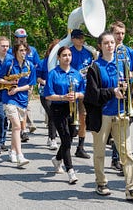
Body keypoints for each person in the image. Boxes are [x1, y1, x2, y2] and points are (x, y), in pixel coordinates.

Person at [84, 31, 133, 200]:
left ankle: (132, 188)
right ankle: (101, 182)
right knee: (99, 152)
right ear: (100, 46)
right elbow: (92, 95)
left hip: (121, 113)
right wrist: (112, 92)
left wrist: (126, 90)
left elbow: (130, 85)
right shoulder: (94, 67)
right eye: (106, 43)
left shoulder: (122, 64)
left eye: (112, 42)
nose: (110, 45)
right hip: (102, 115)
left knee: (126, 152)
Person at [45, 46, 83, 184]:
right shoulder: (53, 73)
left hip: (73, 109)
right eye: (64, 55)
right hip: (58, 109)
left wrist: (77, 94)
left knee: (71, 136)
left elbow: (83, 91)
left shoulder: (76, 73)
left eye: (69, 55)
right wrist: (63, 97)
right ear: (59, 58)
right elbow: (48, 95)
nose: (67, 58)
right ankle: (71, 170)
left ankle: (57, 159)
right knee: (66, 139)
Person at [0, 42, 35, 167]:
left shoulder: (30, 66)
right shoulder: (9, 64)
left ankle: (12, 151)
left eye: (25, 50)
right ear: (16, 52)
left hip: (22, 99)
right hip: (9, 98)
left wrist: (17, 89)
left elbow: (30, 84)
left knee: (15, 128)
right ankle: (20, 155)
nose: (23, 53)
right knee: (17, 126)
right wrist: (10, 83)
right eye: (21, 50)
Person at [109, 21, 133, 171]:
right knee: (113, 125)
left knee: (123, 125)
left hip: (126, 91)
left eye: (122, 33)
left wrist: (128, 76)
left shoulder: (130, 52)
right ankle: (116, 157)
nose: (120, 36)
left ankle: (119, 159)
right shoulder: (107, 50)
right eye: (117, 33)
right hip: (112, 92)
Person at [12, 28, 40, 140]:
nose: (23, 39)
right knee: (18, 106)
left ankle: (23, 129)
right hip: (14, 83)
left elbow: (38, 64)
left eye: (24, 37)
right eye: (20, 37)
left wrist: (30, 70)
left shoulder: (32, 50)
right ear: (16, 38)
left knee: (24, 104)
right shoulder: (11, 51)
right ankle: (21, 126)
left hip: (27, 82)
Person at [69, 29, 93, 159]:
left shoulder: (88, 53)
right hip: (71, 87)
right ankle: (66, 143)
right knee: (69, 117)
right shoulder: (69, 52)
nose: (81, 40)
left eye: (82, 38)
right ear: (73, 39)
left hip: (84, 89)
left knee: (83, 116)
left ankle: (80, 147)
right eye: (78, 38)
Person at [37, 39, 59, 150]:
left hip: (59, 93)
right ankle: (53, 138)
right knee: (52, 114)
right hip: (45, 92)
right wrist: (45, 82)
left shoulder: (63, 63)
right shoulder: (43, 62)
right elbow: (37, 77)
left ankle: (53, 135)